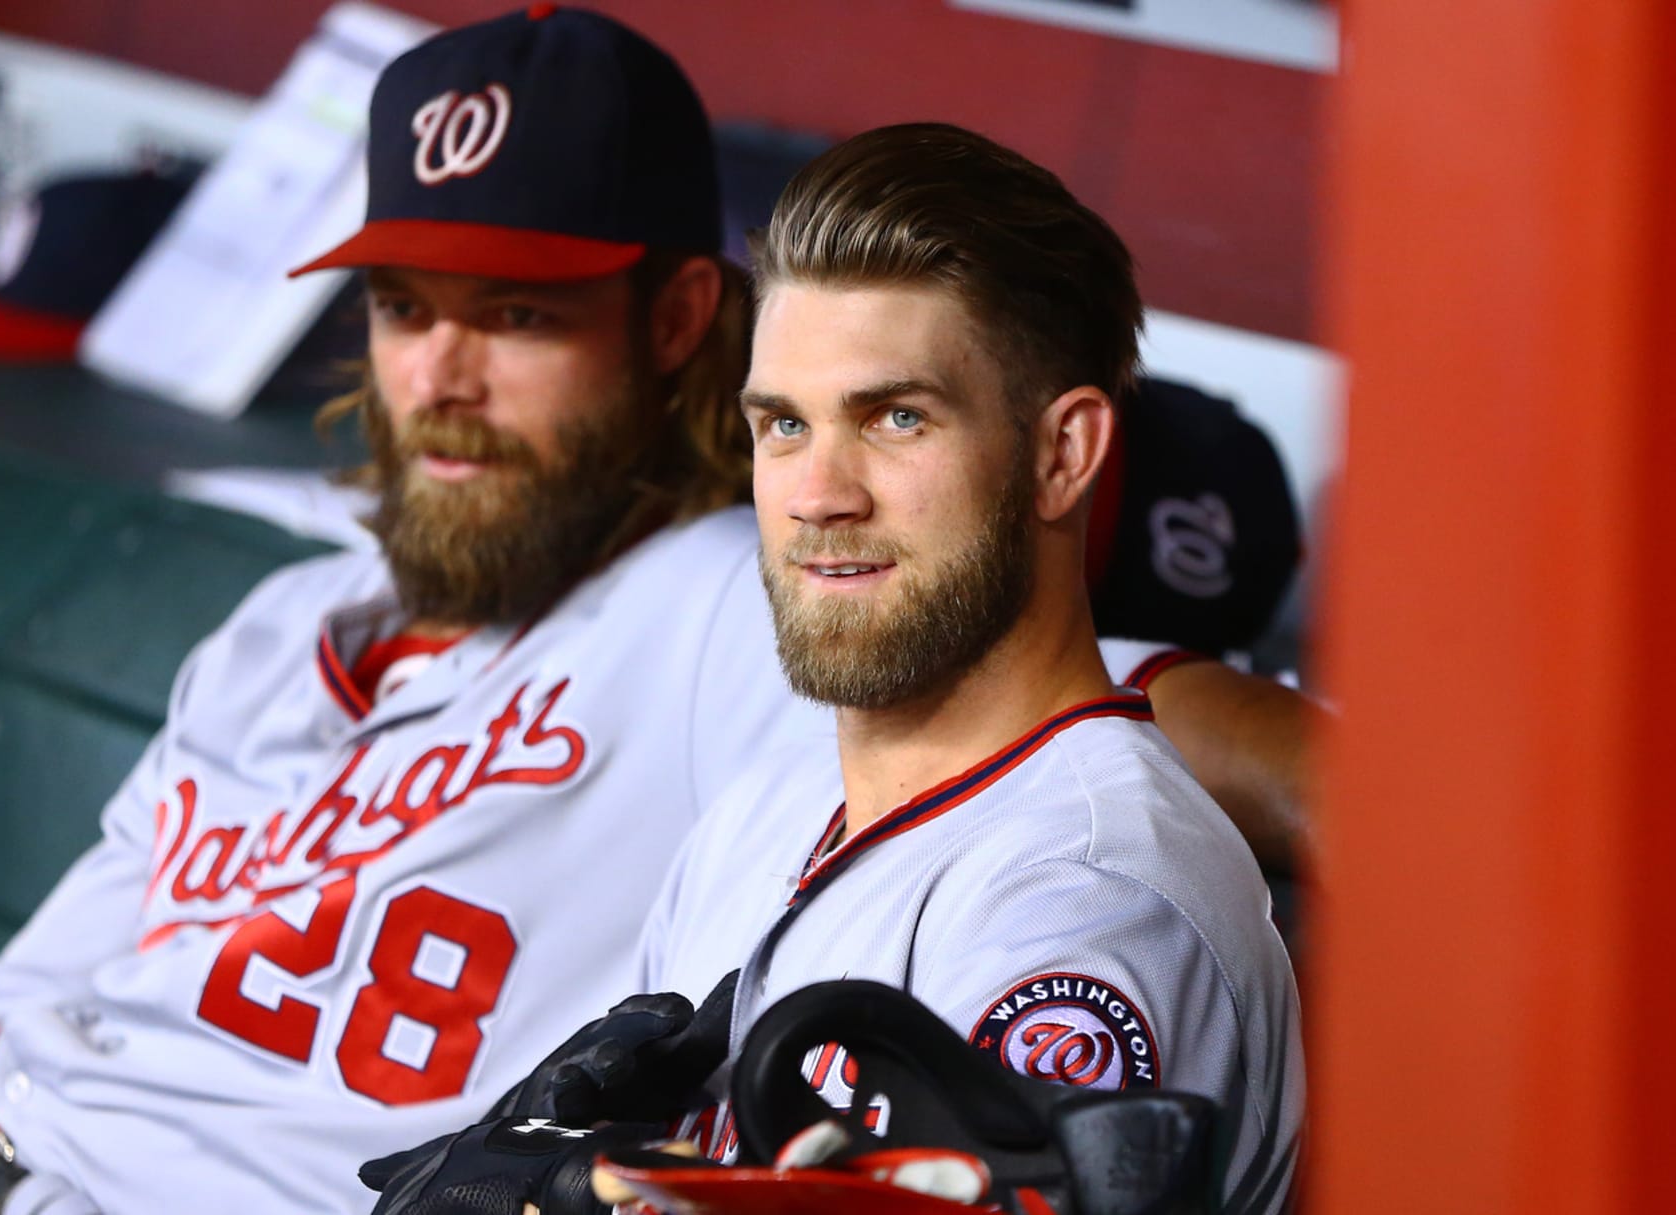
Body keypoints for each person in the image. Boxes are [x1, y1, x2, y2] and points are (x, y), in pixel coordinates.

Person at [0, 10, 1308, 1215]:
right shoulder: (282, 634)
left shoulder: (727, 613)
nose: (442, 372)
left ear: (675, 321)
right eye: (405, 307)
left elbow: (1057, 711)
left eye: (518, 313)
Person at [360, 121, 1303, 1215]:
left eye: (897, 418)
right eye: (784, 426)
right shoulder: (771, 807)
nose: (818, 494)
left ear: (1062, 454)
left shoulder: (1088, 903)